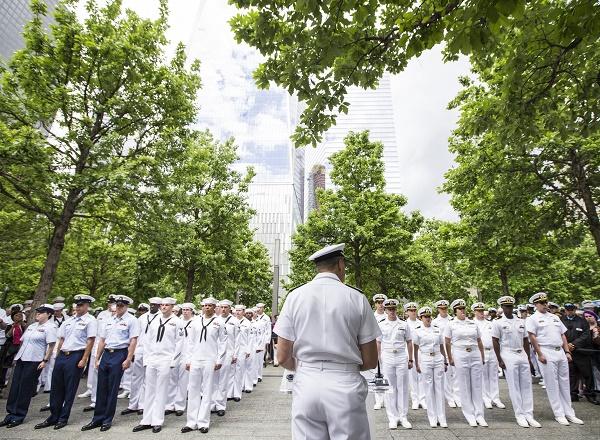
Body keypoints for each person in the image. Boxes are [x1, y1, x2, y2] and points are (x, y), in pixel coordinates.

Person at [274, 243, 380, 440]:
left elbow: (281, 356)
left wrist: (307, 367)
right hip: (345, 382)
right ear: (340, 264)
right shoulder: (356, 297)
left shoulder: (295, 296)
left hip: (307, 381)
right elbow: (371, 360)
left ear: (318, 266)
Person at [35, 294, 97, 430]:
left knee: (69, 388)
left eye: (81, 305)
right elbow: (61, 339)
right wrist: (57, 355)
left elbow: (90, 341)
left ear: (87, 306)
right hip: (62, 354)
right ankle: (53, 416)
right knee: (56, 387)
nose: (78, 307)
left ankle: (63, 418)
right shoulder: (69, 320)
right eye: (77, 305)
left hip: (76, 355)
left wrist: (84, 359)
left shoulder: (90, 320)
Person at [82, 295, 139, 432]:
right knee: (101, 387)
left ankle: (107, 420)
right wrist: (97, 358)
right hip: (106, 353)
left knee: (112, 388)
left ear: (126, 307)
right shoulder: (108, 320)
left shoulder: (132, 320)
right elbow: (102, 340)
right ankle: (97, 419)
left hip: (120, 353)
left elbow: (133, 340)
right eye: (117, 305)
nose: (118, 308)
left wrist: (128, 358)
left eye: (121, 306)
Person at [526, 292, 584, 425]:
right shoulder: (533, 319)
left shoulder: (554, 317)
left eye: (546, 302)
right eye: (542, 303)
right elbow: (532, 337)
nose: (545, 305)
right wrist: (539, 353)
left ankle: (569, 413)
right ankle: (559, 414)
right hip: (546, 350)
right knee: (552, 384)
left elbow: (563, 335)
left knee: (565, 383)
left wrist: (567, 351)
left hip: (560, 352)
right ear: (535, 304)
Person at [0, 304, 57, 428]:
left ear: (48, 314)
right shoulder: (32, 326)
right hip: (22, 358)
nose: (38, 314)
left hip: (34, 360)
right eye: (37, 312)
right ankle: (10, 414)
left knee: (25, 388)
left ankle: (19, 415)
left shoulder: (50, 327)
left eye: (41, 312)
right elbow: (23, 342)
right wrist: (17, 357)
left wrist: (45, 360)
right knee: (15, 387)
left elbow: (51, 345)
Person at [133, 297, 183, 433]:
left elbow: (180, 343)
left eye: (167, 305)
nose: (164, 307)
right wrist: (146, 359)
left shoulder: (177, 322)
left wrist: (174, 361)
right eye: (162, 305)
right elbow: (148, 340)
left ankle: (157, 421)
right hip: (152, 359)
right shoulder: (155, 320)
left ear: (173, 307)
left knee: (161, 391)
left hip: (166, 359)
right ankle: (146, 420)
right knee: (149, 390)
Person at [491, 296, 540, 428]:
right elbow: (495, 341)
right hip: (508, 353)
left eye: (510, 306)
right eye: (506, 306)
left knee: (526, 385)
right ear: (502, 308)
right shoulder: (498, 322)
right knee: (514, 386)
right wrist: (499, 359)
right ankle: (520, 415)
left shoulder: (520, 321)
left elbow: (525, 339)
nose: (508, 308)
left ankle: (529, 414)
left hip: (521, 353)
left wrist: (528, 357)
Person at [182, 297, 227, 434]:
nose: (206, 307)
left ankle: (203, 422)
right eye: (204, 305)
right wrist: (188, 360)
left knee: (207, 391)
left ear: (214, 307)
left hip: (209, 359)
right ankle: (191, 422)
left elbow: (223, 342)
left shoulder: (219, 322)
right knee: (193, 390)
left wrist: (219, 360)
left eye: (209, 305)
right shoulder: (195, 321)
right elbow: (190, 342)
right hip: (195, 359)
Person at [444, 298, 487, 427]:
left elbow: (479, 341)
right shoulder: (451, 324)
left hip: (474, 353)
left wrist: (482, 356)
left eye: (463, 308)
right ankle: (470, 415)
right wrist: (450, 358)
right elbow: (447, 342)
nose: (462, 311)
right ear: (455, 311)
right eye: (459, 309)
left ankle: (480, 415)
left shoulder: (473, 323)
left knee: (477, 385)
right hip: (460, 353)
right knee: (464, 385)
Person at [121, 297, 161, 416]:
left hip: (152, 351)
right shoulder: (142, 318)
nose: (152, 306)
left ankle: (143, 405)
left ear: (159, 306)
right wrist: (132, 352)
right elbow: (135, 335)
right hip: (139, 349)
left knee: (147, 379)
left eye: (155, 304)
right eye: (151, 304)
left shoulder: (161, 318)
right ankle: (133, 404)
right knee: (135, 377)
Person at [378, 298, 413, 430]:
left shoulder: (403, 324)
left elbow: (409, 341)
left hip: (400, 356)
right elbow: (378, 342)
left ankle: (403, 416)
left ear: (396, 309)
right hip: (387, 356)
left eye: (393, 309)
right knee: (390, 388)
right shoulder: (381, 324)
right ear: (386, 310)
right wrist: (379, 359)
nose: (392, 311)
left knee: (403, 387)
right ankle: (392, 417)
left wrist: (410, 359)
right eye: (389, 309)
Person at [413, 306, 447, 428]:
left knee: (439, 388)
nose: (428, 319)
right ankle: (432, 418)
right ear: (420, 318)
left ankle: (441, 417)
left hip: (438, 358)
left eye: (429, 316)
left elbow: (442, 346)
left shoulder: (437, 329)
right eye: (425, 317)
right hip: (426, 358)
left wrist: (445, 361)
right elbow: (415, 349)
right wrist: (417, 364)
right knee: (428, 388)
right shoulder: (417, 331)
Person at [80, 295, 115, 411]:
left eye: (113, 303)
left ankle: (105, 400)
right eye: (110, 302)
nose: (111, 304)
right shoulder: (101, 314)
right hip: (97, 345)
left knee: (107, 376)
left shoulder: (118, 317)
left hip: (110, 347)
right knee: (95, 373)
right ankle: (95, 400)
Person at [472, 302, 505, 409]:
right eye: (479, 311)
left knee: (493, 376)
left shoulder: (491, 323)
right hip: (479, 352)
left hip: (492, 351)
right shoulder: (472, 324)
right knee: (483, 376)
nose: (481, 313)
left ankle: (495, 398)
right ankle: (486, 398)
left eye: (482, 311)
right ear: (475, 312)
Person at [165, 302, 196, 416]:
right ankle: (169, 404)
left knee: (183, 381)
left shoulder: (196, 322)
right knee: (172, 380)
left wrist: (191, 358)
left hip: (187, 354)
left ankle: (179, 405)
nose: (185, 311)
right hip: (175, 353)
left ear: (192, 311)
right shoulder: (177, 321)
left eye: (188, 309)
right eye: (183, 309)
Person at [561, 303, 595, 403]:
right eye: (568, 310)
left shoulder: (582, 321)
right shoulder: (561, 321)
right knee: (571, 374)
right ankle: (573, 394)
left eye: (572, 309)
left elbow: (586, 335)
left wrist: (573, 344)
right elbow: (559, 334)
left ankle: (589, 394)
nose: (570, 311)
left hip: (581, 352)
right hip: (568, 352)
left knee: (587, 374)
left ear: (575, 310)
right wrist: (567, 346)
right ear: (565, 310)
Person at [211, 299, 239, 416]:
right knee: (213, 380)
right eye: (221, 307)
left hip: (228, 353)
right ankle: (212, 404)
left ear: (229, 309)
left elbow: (237, 339)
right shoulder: (215, 320)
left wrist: (235, 354)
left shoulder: (234, 321)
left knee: (223, 380)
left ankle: (221, 405)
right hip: (214, 353)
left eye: (225, 307)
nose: (223, 309)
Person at [433, 299, 459, 408]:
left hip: (454, 347)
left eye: (445, 308)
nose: (443, 310)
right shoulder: (434, 322)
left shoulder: (453, 320)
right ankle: (450, 397)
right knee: (447, 374)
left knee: (457, 373)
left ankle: (457, 396)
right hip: (442, 348)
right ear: (438, 309)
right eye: (441, 309)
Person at [404, 302, 424, 410]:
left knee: (422, 375)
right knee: (412, 377)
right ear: (407, 312)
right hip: (409, 352)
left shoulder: (421, 323)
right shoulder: (404, 324)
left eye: (414, 310)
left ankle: (422, 399)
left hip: (421, 351)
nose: (413, 312)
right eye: (411, 311)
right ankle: (415, 399)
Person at [0, 310, 24, 391]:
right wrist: (14, 326)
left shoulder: (25, 326)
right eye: (17, 315)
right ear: (13, 317)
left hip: (20, 347)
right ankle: (2, 385)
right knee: (4, 367)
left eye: (20, 315)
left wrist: (21, 324)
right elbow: (7, 335)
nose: (19, 316)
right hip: (9, 348)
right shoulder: (10, 326)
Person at [371, 293, 387, 411]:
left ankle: (387, 399)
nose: (380, 305)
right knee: (377, 375)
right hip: (375, 348)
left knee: (387, 375)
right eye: (378, 302)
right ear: (375, 304)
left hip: (387, 349)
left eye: (382, 302)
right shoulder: (372, 316)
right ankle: (378, 399)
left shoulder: (389, 316)